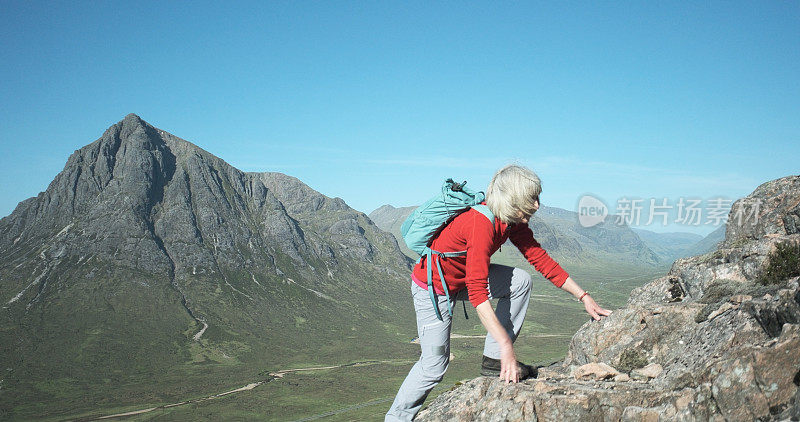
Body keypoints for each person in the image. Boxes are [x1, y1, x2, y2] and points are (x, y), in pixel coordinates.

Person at [385, 164, 612, 421]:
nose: (537, 205)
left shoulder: (511, 221)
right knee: (433, 366)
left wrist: (584, 296)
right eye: (531, 198)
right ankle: (396, 417)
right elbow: (478, 292)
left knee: (521, 281)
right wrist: (506, 343)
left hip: (460, 282)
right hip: (432, 288)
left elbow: (538, 257)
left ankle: (493, 363)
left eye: (537, 197)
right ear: (513, 199)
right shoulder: (480, 224)